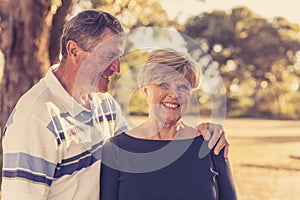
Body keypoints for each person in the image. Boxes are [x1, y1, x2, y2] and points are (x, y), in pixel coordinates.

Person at [1, 10, 228, 199]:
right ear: (74, 51)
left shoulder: (104, 104)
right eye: (108, 56)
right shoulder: (35, 117)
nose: (117, 68)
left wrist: (208, 131)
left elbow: (139, 146)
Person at [100, 49, 237, 200]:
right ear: (145, 90)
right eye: (163, 84)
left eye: (183, 87)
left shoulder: (211, 144)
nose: (173, 94)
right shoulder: (116, 149)